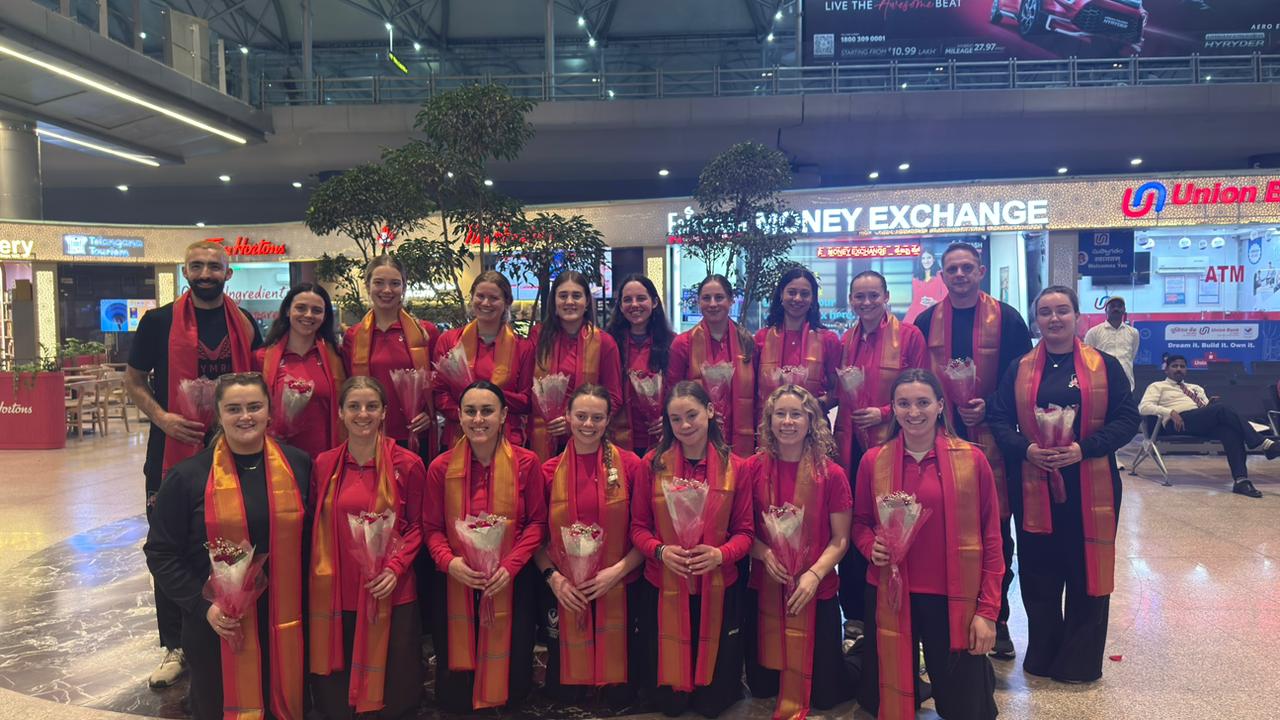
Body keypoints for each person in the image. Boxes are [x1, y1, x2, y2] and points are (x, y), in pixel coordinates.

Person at [126, 240, 263, 688]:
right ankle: (175, 644)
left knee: (232, 535)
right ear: (185, 270)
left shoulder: (244, 323)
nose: (205, 273)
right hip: (172, 448)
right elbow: (133, 380)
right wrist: (163, 417)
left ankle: (234, 616)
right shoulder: (157, 322)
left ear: (229, 273)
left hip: (236, 447)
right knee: (171, 542)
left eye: (214, 266)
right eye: (197, 266)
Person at [987, 286, 1140, 683]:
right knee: (1039, 570)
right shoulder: (1019, 368)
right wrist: (1026, 450)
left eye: (1062, 311)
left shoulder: (1104, 365)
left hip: (1091, 484)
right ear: (1036, 320)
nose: (1054, 319)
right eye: (1045, 312)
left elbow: (1127, 420)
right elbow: (999, 419)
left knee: (1085, 569)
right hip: (1033, 482)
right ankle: (1042, 653)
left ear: (1077, 316)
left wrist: (1084, 449)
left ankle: (1079, 661)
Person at [143, 372, 311, 720]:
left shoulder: (299, 465)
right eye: (233, 408)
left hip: (286, 620)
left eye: (254, 406)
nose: (245, 416)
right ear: (218, 415)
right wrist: (202, 606)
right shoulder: (187, 477)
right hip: (217, 624)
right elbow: (160, 553)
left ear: (269, 412)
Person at [853, 368, 1002, 720]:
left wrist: (987, 612)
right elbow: (860, 524)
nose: (913, 412)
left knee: (970, 711)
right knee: (883, 704)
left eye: (923, 402)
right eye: (904, 403)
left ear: (940, 406)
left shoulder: (972, 460)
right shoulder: (874, 461)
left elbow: (993, 539)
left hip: (953, 599)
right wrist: (869, 545)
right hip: (891, 595)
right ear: (893, 408)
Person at [912, 241, 1031, 660]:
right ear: (942, 276)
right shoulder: (927, 321)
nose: (959, 275)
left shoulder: (1008, 319)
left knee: (993, 529)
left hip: (995, 439)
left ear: (980, 271)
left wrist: (993, 403)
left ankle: (996, 618)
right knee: (943, 527)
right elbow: (918, 380)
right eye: (952, 269)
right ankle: (945, 613)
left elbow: (1024, 377)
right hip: (938, 440)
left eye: (967, 268)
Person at [630, 380, 754, 718]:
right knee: (669, 704)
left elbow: (746, 533)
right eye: (675, 419)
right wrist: (659, 551)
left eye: (692, 415)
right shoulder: (651, 464)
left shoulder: (736, 467)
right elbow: (637, 528)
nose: (685, 426)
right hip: (664, 584)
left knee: (714, 703)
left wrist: (720, 555)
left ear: (711, 412)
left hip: (717, 584)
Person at [423, 380, 547, 711]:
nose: (479, 419)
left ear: (504, 415)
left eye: (487, 411)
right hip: (456, 580)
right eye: (471, 412)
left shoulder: (527, 463)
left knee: (512, 678)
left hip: (510, 579)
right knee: (456, 695)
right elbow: (431, 528)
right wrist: (450, 563)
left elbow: (537, 523)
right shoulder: (440, 467)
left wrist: (511, 566)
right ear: (460, 417)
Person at [308, 377, 425, 719]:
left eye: (371, 406)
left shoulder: (407, 463)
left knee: (394, 699)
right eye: (354, 407)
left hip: (390, 587)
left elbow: (418, 526)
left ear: (384, 413)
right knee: (337, 704)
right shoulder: (324, 464)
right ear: (341, 414)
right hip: (338, 589)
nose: (363, 414)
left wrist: (395, 567)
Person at [743, 385, 854, 720]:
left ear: (811, 421)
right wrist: (763, 553)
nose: (788, 422)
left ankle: (859, 654)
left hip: (814, 590)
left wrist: (814, 574)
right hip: (766, 587)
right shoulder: (751, 469)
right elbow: (742, 531)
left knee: (825, 696)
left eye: (796, 414)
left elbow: (840, 539)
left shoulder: (831, 474)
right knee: (763, 687)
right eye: (780, 414)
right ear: (769, 420)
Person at [534, 384, 648, 706]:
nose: (588, 424)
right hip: (566, 589)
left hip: (618, 585)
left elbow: (645, 530)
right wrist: (554, 579)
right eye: (580, 416)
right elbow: (535, 539)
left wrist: (617, 572)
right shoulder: (547, 471)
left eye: (597, 417)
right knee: (567, 693)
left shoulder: (630, 466)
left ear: (608, 420)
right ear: (567, 416)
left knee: (617, 695)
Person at [833, 269, 927, 642]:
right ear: (851, 301)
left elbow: (922, 389)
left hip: (894, 443)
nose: (867, 302)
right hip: (852, 446)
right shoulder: (846, 340)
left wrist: (885, 413)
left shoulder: (909, 336)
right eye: (860, 296)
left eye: (874, 295)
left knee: (892, 519)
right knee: (855, 520)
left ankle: (898, 600)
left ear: (887, 296)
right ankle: (855, 610)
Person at [342, 255, 440, 460]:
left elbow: (438, 383)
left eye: (395, 283)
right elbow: (348, 385)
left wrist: (429, 414)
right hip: (368, 432)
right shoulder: (354, 336)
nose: (387, 290)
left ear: (404, 287)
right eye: (379, 282)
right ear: (367, 285)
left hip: (413, 434)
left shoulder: (425, 333)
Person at [1137, 354, 1277, 498]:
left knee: (1230, 432)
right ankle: (1264, 443)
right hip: (1179, 422)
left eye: (1182, 366)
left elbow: (1204, 409)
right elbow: (1144, 407)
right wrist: (1170, 412)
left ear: (1186, 370)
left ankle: (1241, 481)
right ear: (1166, 370)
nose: (1179, 369)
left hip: (1198, 420)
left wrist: (1209, 406)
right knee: (1222, 409)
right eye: (1174, 366)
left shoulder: (1196, 388)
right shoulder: (1157, 386)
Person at [528, 270, 623, 461]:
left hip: (588, 436)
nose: (569, 302)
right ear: (554, 302)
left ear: (587, 302)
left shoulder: (604, 342)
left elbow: (614, 397)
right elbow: (527, 388)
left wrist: (574, 420)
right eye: (563, 296)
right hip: (544, 436)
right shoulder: (537, 337)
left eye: (576, 296)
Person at [433, 271, 533, 448]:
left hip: (507, 440)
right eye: (480, 296)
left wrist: (487, 395)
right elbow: (439, 394)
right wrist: (469, 417)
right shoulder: (449, 341)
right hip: (458, 436)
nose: (486, 303)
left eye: (494, 298)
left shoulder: (523, 347)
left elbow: (526, 401)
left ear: (507, 303)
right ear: (472, 298)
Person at [668, 275, 758, 457]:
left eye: (719, 297)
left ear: (731, 300)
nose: (713, 304)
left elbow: (756, 394)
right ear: (698, 302)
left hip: (740, 433)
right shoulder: (683, 343)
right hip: (696, 435)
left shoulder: (747, 342)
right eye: (706, 298)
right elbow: (673, 392)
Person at [254, 283, 345, 459]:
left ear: (325, 316)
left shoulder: (338, 359)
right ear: (288, 311)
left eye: (317, 310)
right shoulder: (261, 359)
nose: (308, 315)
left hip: (325, 458)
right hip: (277, 458)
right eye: (301, 308)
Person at [754, 267, 842, 419]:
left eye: (805, 294)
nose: (798, 299)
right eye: (792, 292)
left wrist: (816, 405)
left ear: (813, 298)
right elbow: (752, 389)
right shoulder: (762, 338)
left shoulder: (828, 339)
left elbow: (837, 389)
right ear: (781, 294)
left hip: (814, 427)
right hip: (770, 428)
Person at [606, 273, 674, 458]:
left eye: (641, 298)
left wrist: (670, 417)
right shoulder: (607, 343)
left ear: (654, 302)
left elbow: (680, 388)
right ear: (620, 306)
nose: (634, 305)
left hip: (662, 438)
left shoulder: (673, 343)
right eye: (628, 300)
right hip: (616, 438)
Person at [1083, 297, 1140, 390]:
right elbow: (1088, 358)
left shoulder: (1133, 333)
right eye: (1112, 306)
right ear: (1106, 310)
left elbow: (1132, 355)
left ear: (1124, 310)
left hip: (1126, 383)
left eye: (1119, 306)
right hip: (1101, 384)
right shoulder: (1093, 332)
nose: (1116, 309)